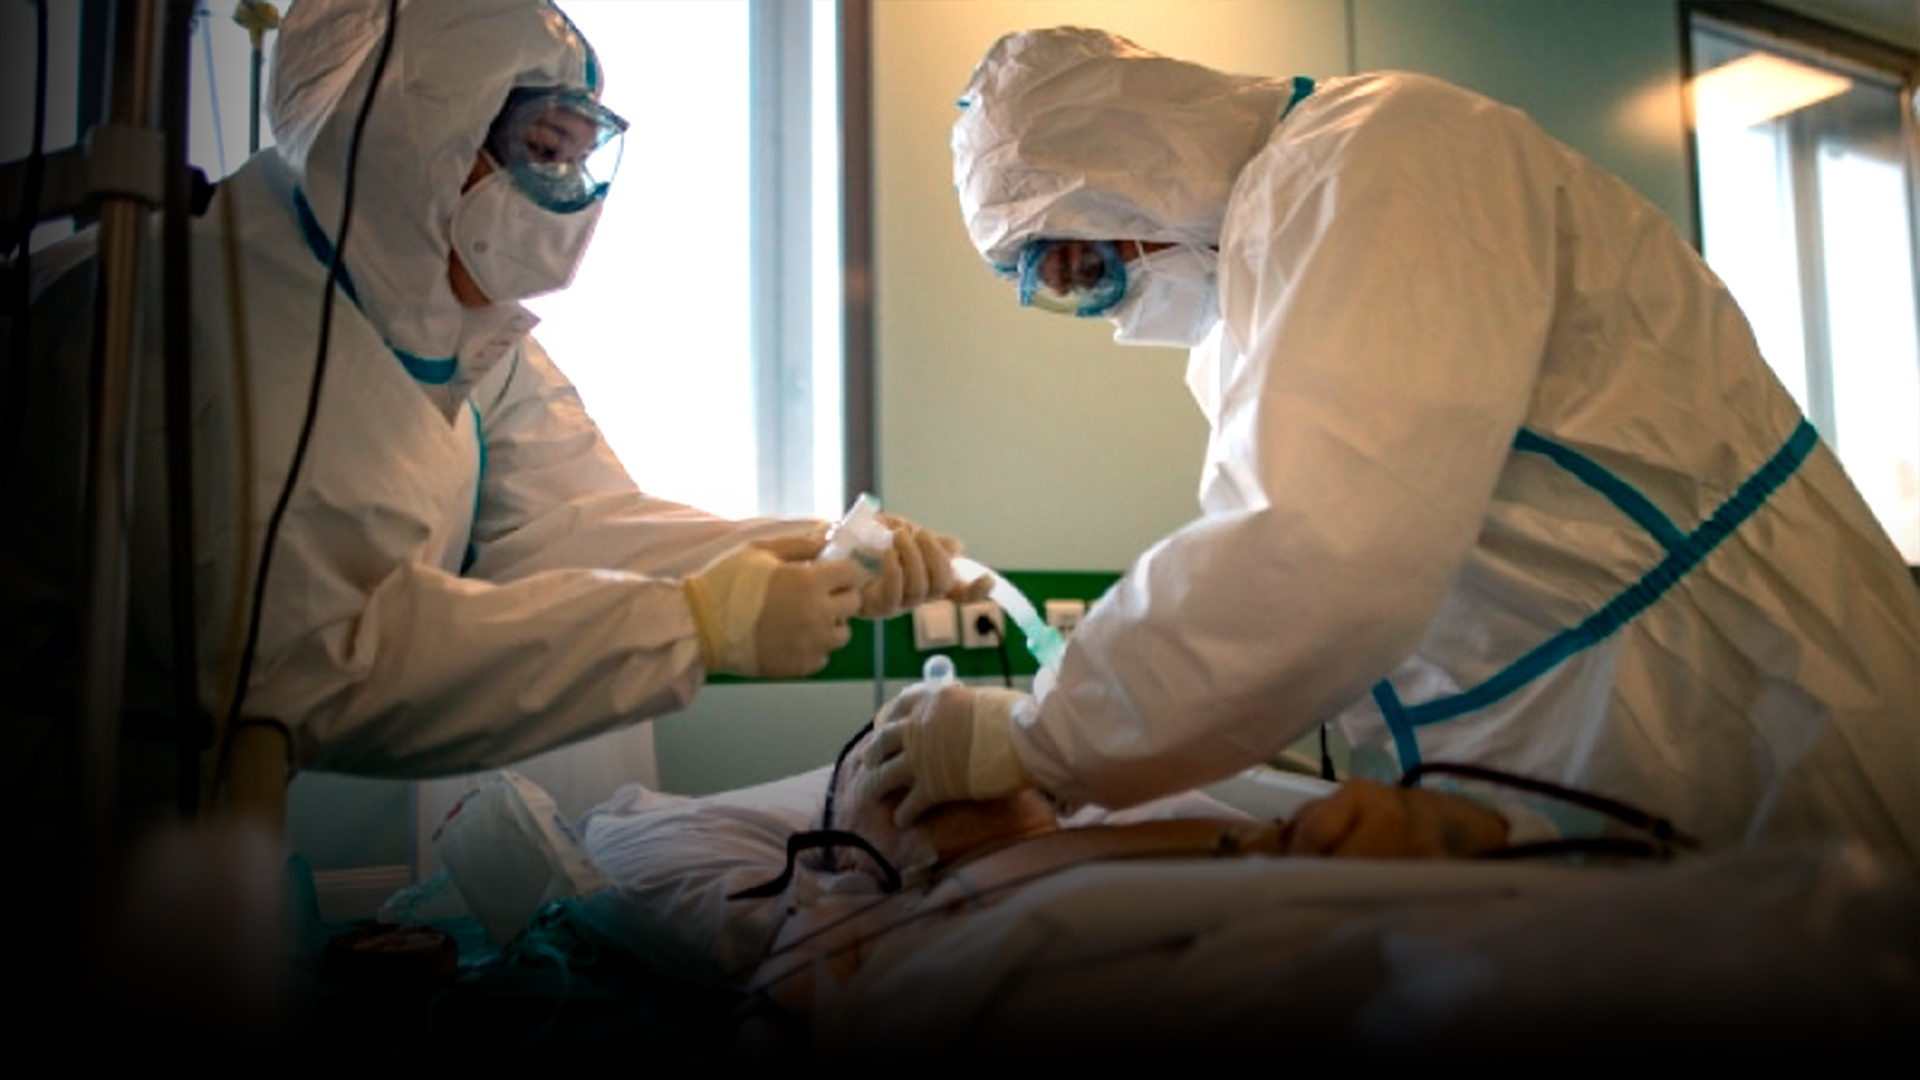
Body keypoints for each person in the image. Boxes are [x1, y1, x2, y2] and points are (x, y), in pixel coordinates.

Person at [864, 27, 1920, 865]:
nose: (1094, 302)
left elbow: (1320, 544)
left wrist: (1039, 739)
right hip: (1567, 745)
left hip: (1736, 692)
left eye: (1080, 263)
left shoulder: (1375, 158)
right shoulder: (1258, 287)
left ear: (1128, 164)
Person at [0, 0, 972, 787]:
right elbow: (304, 662)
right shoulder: (188, 317)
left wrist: (809, 547)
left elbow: (571, 526)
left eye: (577, 157)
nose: (569, 194)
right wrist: (697, 625)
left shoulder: (466, 345)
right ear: (412, 140)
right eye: (541, 150)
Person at [750, 719, 1509, 1015]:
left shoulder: (1189, 832)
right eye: (877, 755)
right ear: (841, 845)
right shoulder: (849, 914)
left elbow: (1476, 847)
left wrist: (1424, 825)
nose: (912, 747)